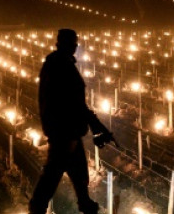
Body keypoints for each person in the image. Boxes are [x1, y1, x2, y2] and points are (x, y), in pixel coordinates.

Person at [28, 28, 116, 214]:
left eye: (75, 44)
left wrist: (96, 126)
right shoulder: (59, 65)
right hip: (64, 132)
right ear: (62, 44)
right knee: (52, 175)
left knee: (79, 175)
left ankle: (85, 204)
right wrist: (95, 126)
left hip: (70, 131)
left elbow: (77, 103)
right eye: (72, 44)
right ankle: (37, 208)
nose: (74, 47)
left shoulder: (62, 63)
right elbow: (71, 103)